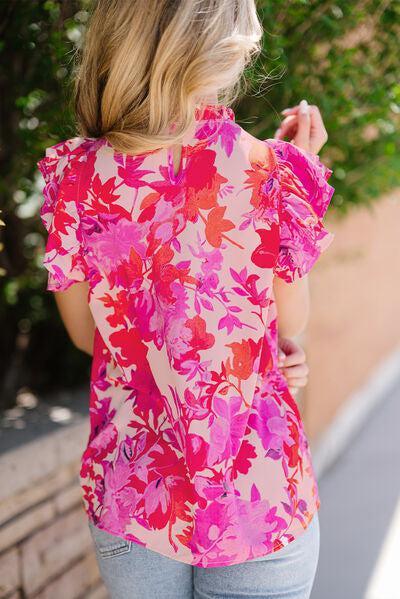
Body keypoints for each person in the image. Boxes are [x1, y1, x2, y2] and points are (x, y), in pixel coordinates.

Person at [36, 1, 335, 598]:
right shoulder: (271, 172)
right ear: (227, 50)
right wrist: (303, 167)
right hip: (259, 494)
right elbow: (289, 320)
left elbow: (85, 335)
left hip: (134, 489)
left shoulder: (74, 175)